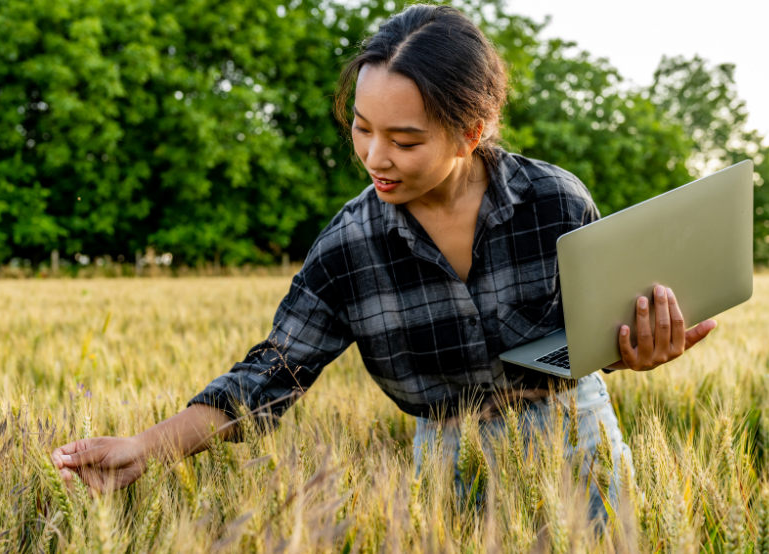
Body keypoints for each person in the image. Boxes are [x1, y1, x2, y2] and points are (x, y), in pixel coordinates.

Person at [52, 3, 717, 524]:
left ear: (473, 128)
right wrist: (145, 445)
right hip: (450, 463)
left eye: (404, 139)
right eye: (362, 127)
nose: (374, 157)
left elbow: (591, 333)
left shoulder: (555, 201)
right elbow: (272, 372)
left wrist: (634, 349)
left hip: (578, 440)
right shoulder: (348, 246)